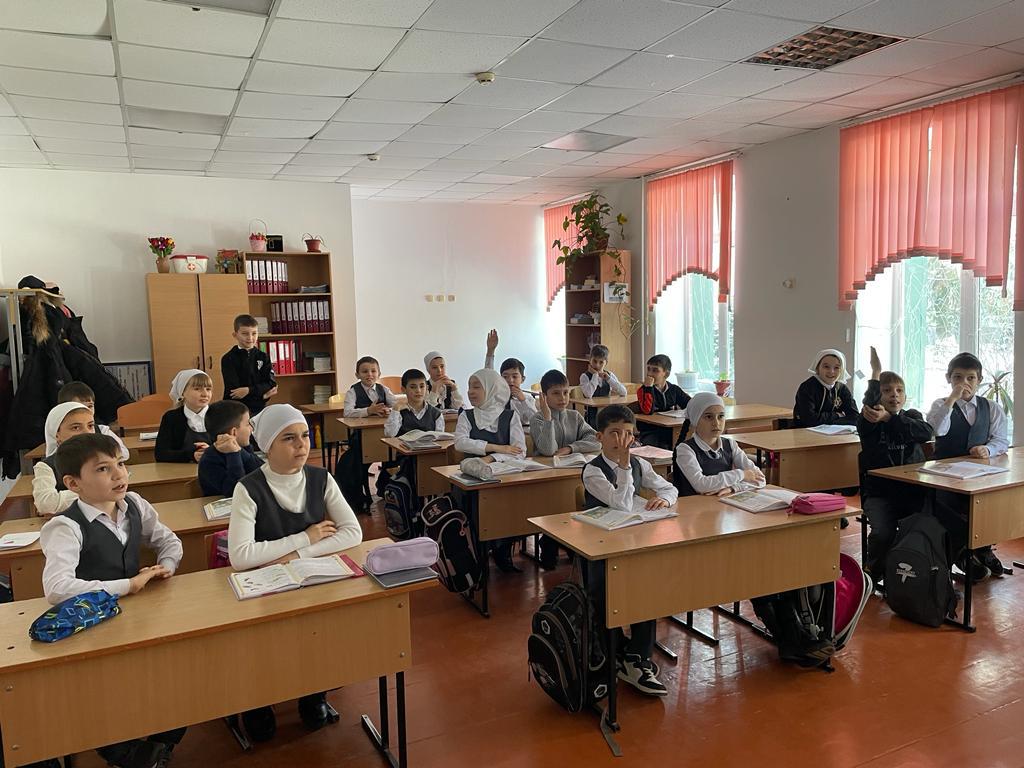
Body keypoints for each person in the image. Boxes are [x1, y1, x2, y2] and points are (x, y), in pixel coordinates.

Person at [40, 433, 186, 768]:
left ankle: (159, 745)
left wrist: (165, 566)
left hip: (137, 617)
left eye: (120, 464)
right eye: (103, 469)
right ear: (73, 483)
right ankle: (122, 752)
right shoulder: (65, 526)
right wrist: (127, 585)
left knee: (175, 677)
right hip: (91, 626)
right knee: (106, 695)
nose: (119, 474)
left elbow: (169, 542)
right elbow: (57, 588)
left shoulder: (134, 504)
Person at [228, 404, 362, 739]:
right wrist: (307, 536)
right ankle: (259, 702)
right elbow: (241, 556)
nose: (301, 444)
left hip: (311, 579)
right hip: (266, 589)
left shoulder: (321, 478)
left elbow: (353, 532)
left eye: (304, 435)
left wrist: (298, 553)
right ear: (267, 446)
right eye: (289, 438)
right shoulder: (248, 487)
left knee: (319, 635)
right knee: (266, 645)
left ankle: (313, 694)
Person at [582, 405, 678, 696]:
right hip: (600, 548)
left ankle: (637, 658)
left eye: (627, 434)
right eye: (614, 433)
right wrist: (624, 466)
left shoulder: (640, 464)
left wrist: (664, 500)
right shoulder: (592, 471)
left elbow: (669, 488)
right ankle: (611, 651)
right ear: (600, 437)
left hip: (633, 541)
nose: (621, 440)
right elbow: (621, 504)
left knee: (644, 591)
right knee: (605, 599)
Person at [926, 352, 1009, 580]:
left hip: (978, 473)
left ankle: (983, 549)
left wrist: (988, 449)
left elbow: (1001, 439)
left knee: (989, 504)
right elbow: (937, 430)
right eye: (958, 377)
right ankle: (962, 553)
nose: (964, 383)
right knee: (949, 508)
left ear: (979, 380)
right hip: (945, 476)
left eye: (971, 378)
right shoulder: (940, 405)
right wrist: (951, 400)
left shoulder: (991, 407)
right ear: (949, 378)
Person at [857, 347, 933, 586]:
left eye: (899, 390)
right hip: (879, 493)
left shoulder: (912, 417)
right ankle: (872, 572)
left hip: (912, 492)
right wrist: (875, 373)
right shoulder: (869, 422)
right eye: (887, 390)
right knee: (883, 532)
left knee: (925, 528)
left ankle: (910, 571)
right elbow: (870, 405)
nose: (894, 395)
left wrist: (891, 418)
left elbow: (926, 433)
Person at [454, 369, 526, 572]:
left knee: (513, 507)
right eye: (469, 387)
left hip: (503, 477)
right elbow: (460, 442)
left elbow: (520, 451)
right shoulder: (466, 415)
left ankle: (503, 553)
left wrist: (492, 457)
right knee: (479, 512)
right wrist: (496, 447)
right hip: (472, 480)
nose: (471, 391)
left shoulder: (510, 416)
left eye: (477, 387)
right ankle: (478, 555)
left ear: (492, 389)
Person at [530, 368, 601, 569]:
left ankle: (570, 542)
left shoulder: (574, 416)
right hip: (546, 476)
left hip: (570, 472)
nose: (562, 398)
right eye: (555, 393)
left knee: (572, 504)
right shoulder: (537, 419)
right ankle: (549, 542)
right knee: (554, 507)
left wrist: (571, 447)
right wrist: (548, 419)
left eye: (566, 392)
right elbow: (548, 449)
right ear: (544, 396)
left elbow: (596, 441)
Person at [673, 392, 765, 496]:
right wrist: (741, 474)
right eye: (709, 417)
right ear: (695, 420)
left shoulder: (730, 444)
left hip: (721, 502)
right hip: (694, 504)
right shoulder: (685, 449)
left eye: (721, 416)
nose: (716, 423)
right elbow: (701, 485)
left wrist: (734, 488)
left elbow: (760, 479)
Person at [32, 402, 95, 516]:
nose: (87, 432)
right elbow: (46, 504)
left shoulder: (103, 458)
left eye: (90, 426)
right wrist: (93, 492)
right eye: (76, 428)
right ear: (57, 435)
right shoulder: (46, 466)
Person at [198, 399, 263, 497]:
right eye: (247, 424)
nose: (251, 428)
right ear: (234, 432)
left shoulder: (240, 450)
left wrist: (245, 448)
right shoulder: (210, 459)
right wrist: (233, 454)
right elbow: (234, 491)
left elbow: (264, 473)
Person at [221, 313, 277, 416]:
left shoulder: (263, 357)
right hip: (235, 411)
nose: (250, 338)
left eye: (254, 333)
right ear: (235, 335)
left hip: (259, 409)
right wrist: (262, 396)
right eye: (245, 334)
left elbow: (270, 384)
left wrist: (248, 390)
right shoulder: (228, 359)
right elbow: (235, 394)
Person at [57, 380, 129, 459]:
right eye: (79, 406)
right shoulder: (61, 433)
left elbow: (124, 454)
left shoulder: (102, 431)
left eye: (90, 406)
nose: (86, 410)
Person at [155, 369, 212, 463]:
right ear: (182, 392)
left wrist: (212, 451)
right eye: (197, 389)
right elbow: (161, 454)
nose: (205, 394)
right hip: (181, 470)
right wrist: (191, 455)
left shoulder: (220, 415)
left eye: (208, 389)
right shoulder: (171, 418)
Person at [484, 329, 538, 426]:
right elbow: (488, 375)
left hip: (521, 432)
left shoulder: (528, 399)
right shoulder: (496, 396)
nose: (510, 380)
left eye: (514, 376)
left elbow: (536, 422)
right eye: (505, 376)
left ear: (523, 379)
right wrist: (490, 351)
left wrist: (523, 401)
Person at [637, 354, 690, 448]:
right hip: (651, 431)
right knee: (663, 445)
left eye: (655, 370)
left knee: (684, 441)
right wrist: (648, 388)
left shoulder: (674, 389)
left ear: (666, 374)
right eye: (648, 369)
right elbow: (647, 411)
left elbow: (689, 404)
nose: (650, 374)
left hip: (670, 429)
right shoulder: (643, 390)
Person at [793, 349, 858, 427]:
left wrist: (827, 420)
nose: (831, 371)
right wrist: (837, 415)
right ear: (817, 368)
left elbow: (855, 417)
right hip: (804, 432)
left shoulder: (842, 389)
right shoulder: (807, 387)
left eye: (836, 367)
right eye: (826, 367)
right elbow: (809, 420)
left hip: (834, 432)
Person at [384, 368, 445, 438]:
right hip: (403, 445)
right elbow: (390, 434)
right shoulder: (399, 412)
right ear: (403, 390)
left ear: (427, 388)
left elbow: (440, 439)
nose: (418, 390)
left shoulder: (436, 414)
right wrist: (396, 408)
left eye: (422, 386)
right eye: (413, 387)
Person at [579, 343, 627, 427]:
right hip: (592, 415)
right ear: (590, 360)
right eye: (594, 361)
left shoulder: (609, 375)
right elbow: (588, 394)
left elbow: (624, 392)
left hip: (607, 413)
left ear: (606, 363)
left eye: (601, 362)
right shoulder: (584, 376)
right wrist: (595, 375)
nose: (597, 365)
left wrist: (609, 379)